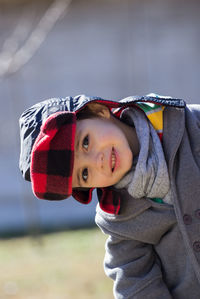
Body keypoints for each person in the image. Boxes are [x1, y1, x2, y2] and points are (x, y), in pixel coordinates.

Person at [19, 93, 200, 298]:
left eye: (86, 142)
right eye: (85, 174)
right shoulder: (120, 218)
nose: (98, 162)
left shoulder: (189, 126)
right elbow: (134, 283)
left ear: (99, 111)